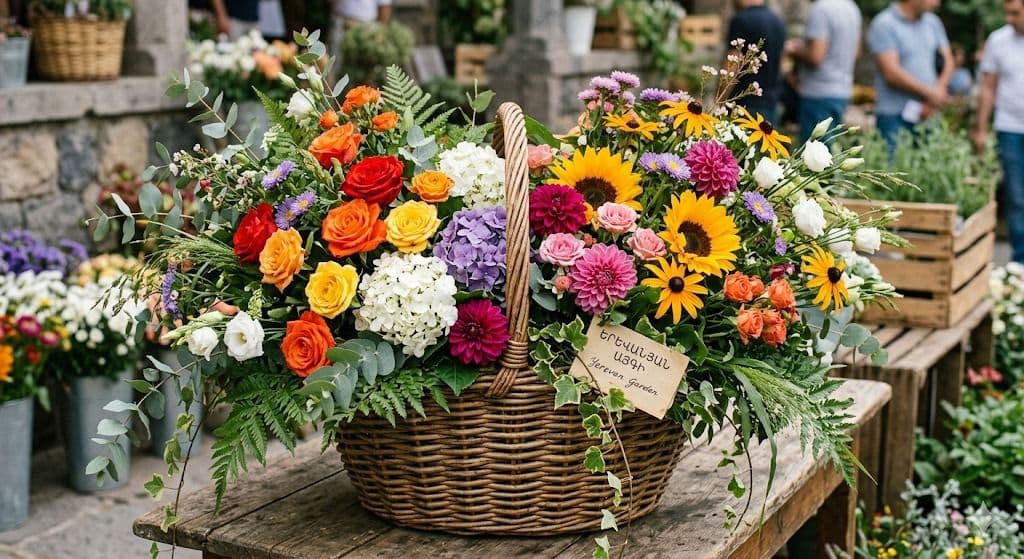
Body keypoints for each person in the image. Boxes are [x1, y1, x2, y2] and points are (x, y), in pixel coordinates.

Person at [974, 0, 1024, 262]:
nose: (1009, 18)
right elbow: (988, 88)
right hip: (1010, 127)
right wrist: (980, 129)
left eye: (1015, 13)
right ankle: (1020, 262)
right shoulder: (999, 40)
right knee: (1017, 197)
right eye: (1006, 12)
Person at [867, 0, 954, 148]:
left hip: (929, 113)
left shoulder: (933, 22)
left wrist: (937, 92)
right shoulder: (884, 24)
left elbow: (948, 60)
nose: (937, 3)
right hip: (894, 116)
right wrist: (931, 95)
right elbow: (891, 73)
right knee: (894, 169)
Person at [785, 0, 862, 143]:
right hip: (842, 91)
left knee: (813, 157)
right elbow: (856, 52)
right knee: (827, 153)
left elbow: (816, 56)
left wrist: (795, 50)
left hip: (818, 94)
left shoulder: (821, 9)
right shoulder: (852, 8)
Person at [725, 0, 787, 123]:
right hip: (770, 103)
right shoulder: (778, 21)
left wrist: (720, 99)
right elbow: (783, 65)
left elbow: (732, 64)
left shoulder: (741, 20)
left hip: (743, 104)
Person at [330, 0, 393, 68]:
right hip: (340, 24)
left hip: (367, 29)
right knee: (334, 63)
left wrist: (380, 32)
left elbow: (384, 7)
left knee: (364, 66)